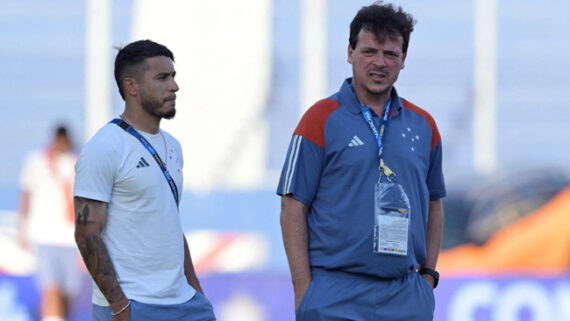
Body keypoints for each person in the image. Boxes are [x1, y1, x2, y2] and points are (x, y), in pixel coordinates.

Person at [277, 2, 446, 320]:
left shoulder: (424, 125)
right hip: (334, 295)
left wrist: (428, 277)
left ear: (403, 60)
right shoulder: (319, 119)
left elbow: (435, 203)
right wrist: (305, 293)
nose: (380, 63)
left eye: (391, 54)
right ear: (350, 52)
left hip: (406, 295)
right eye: (369, 51)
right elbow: (292, 207)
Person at [73, 40, 216, 321]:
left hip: (187, 303)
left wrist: (196, 289)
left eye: (174, 76)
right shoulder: (104, 147)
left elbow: (170, 223)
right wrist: (119, 305)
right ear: (132, 87)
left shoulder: (173, 147)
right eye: (162, 78)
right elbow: (86, 234)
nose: (174, 86)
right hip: (133, 305)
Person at [18, 125, 83, 321]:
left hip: (72, 239)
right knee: (51, 288)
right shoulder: (37, 161)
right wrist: (22, 228)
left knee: (68, 294)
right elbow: (26, 196)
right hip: (45, 235)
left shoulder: (78, 162)